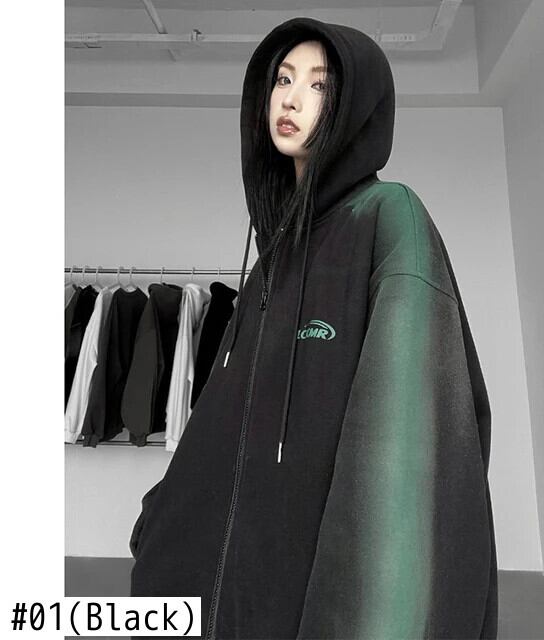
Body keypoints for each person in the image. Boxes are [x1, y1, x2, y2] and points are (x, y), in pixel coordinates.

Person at [129, 16, 498, 640]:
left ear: (357, 107)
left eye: (320, 85)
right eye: (283, 79)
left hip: (306, 602)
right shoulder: (271, 263)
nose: (292, 99)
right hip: (218, 601)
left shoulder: (389, 218)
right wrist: (158, 517)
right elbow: (223, 417)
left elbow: (410, 456)